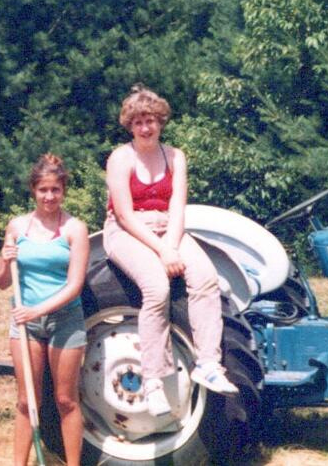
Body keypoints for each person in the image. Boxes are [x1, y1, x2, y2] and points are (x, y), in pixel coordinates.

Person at [103, 85, 238, 418]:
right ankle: (152, 380)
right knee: (157, 287)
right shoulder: (121, 158)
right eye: (138, 122)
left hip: (168, 227)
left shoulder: (175, 156)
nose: (145, 128)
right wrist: (163, 251)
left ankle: (207, 362)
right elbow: (123, 214)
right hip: (127, 230)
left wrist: (173, 246)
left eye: (150, 120)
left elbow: (178, 207)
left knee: (206, 278)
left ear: (161, 121)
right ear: (129, 125)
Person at [0, 154, 88, 466]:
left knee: (65, 400)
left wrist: (38, 311)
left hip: (65, 321)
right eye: (43, 190)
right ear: (33, 190)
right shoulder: (17, 226)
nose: (49, 197)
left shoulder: (76, 229)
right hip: (25, 326)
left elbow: (74, 286)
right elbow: (1, 282)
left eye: (55, 190)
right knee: (26, 401)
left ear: (64, 191)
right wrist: (5, 260)